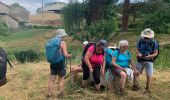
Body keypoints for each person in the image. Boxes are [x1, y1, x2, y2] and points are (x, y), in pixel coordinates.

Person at [46, 29, 72, 98]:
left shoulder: (51, 41)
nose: (65, 37)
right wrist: (70, 55)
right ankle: (60, 94)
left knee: (51, 80)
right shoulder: (62, 42)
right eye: (64, 35)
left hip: (53, 63)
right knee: (61, 80)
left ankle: (49, 94)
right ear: (62, 35)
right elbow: (66, 55)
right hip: (60, 63)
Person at [132, 28, 159, 93]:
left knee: (149, 75)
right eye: (145, 37)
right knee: (136, 73)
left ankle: (147, 88)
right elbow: (138, 49)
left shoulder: (154, 42)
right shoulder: (140, 40)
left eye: (148, 37)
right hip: (140, 60)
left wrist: (150, 56)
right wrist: (138, 53)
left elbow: (156, 53)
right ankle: (135, 86)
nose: (146, 38)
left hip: (149, 60)